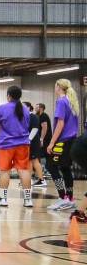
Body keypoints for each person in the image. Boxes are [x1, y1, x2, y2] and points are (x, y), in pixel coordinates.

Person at [0, 86, 33, 208]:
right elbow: (26, 126)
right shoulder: (25, 109)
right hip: (23, 144)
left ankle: (3, 199)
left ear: (8, 95)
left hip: (6, 144)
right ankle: (28, 200)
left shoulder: (1, 108)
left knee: (5, 171)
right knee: (24, 170)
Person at [47, 78, 80, 212]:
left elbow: (60, 124)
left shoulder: (61, 101)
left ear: (59, 87)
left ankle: (63, 197)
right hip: (72, 139)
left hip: (63, 140)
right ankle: (69, 198)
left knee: (51, 166)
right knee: (65, 168)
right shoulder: (71, 101)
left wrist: (51, 142)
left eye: (55, 86)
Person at [23, 102, 47, 188]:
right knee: (29, 161)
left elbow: (35, 129)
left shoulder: (33, 116)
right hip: (27, 142)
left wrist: (29, 139)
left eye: (24, 106)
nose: (22, 107)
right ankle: (28, 179)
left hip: (33, 142)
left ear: (29, 107)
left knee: (35, 160)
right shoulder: (24, 117)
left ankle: (42, 180)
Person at [36, 102, 53, 185]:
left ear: (41, 108)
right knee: (41, 157)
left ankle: (44, 175)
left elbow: (44, 128)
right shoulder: (39, 116)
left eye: (37, 107)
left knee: (44, 156)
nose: (35, 109)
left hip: (46, 140)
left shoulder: (43, 116)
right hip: (43, 140)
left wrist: (41, 139)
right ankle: (41, 177)